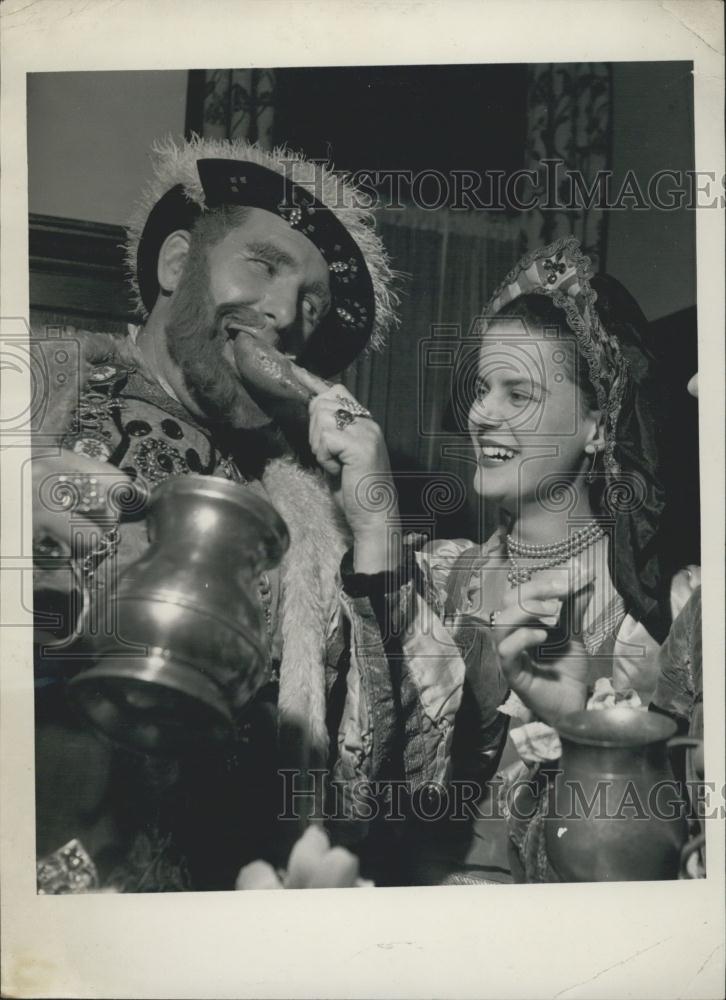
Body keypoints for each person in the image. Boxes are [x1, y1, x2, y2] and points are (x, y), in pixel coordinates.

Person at [32, 134, 438, 892]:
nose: (285, 312)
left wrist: (375, 521)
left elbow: (386, 785)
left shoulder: (303, 519)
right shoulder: (34, 390)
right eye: (264, 263)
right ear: (177, 265)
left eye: (311, 302)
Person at [383, 236, 684, 884]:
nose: (481, 415)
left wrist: (573, 726)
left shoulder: (658, 622)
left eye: (518, 394)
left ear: (598, 427)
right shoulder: (436, 583)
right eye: (482, 389)